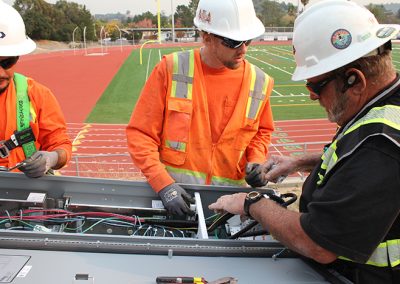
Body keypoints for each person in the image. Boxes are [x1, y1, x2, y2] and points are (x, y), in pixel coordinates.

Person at [209, 0, 400, 283]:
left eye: (315, 86)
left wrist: (252, 203)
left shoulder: (382, 144)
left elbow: (318, 245)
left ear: (354, 81)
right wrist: (299, 162)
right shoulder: (383, 107)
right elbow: (354, 162)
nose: (311, 96)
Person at [126, 0, 275, 216]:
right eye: (233, 42)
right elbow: (141, 134)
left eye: (248, 40)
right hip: (177, 200)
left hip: (230, 208)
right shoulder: (171, 69)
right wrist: (163, 185)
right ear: (206, 36)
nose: (243, 48)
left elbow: (261, 133)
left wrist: (256, 161)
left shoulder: (259, 81)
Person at [0, 1, 72, 178]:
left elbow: (61, 144)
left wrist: (52, 158)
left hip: (22, 194)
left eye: (7, 62)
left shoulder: (36, 95)